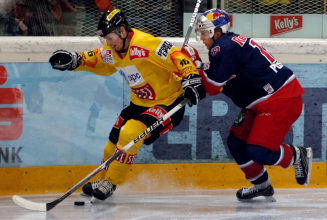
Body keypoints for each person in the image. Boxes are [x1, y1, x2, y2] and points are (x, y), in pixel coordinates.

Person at [49, 9, 206, 202]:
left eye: (111, 37)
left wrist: (191, 76)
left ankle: (111, 183)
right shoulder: (113, 49)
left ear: (123, 31)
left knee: (130, 133)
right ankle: (102, 180)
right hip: (139, 103)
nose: (108, 42)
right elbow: (99, 59)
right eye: (106, 38)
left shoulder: (144, 43)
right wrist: (76, 60)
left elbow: (176, 55)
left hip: (168, 102)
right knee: (111, 146)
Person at [181, 8, 312, 202]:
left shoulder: (223, 48)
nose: (201, 38)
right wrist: (197, 69)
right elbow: (215, 78)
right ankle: (262, 186)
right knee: (236, 143)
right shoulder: (228, 45)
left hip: (280, 99)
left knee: (259, 151)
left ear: (216, 33)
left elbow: (212, 87)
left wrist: (193, 64)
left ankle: (296, 155)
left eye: (203, 33)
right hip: (263, 101)